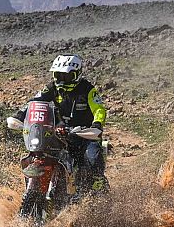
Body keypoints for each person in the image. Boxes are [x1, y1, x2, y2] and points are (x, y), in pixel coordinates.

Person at [13, 54, 108, 194]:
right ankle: (34, 188)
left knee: (92, 157)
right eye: (58, 75)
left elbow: (99, 109)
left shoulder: (87, 89)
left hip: (84, 134)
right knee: (39, 152)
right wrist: (20, 115)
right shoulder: (52, 87)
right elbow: (34, 101)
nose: (61, 81)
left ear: (77, 75)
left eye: (66, 76)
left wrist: (97, 124)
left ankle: (97, 187)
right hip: (58, 131)